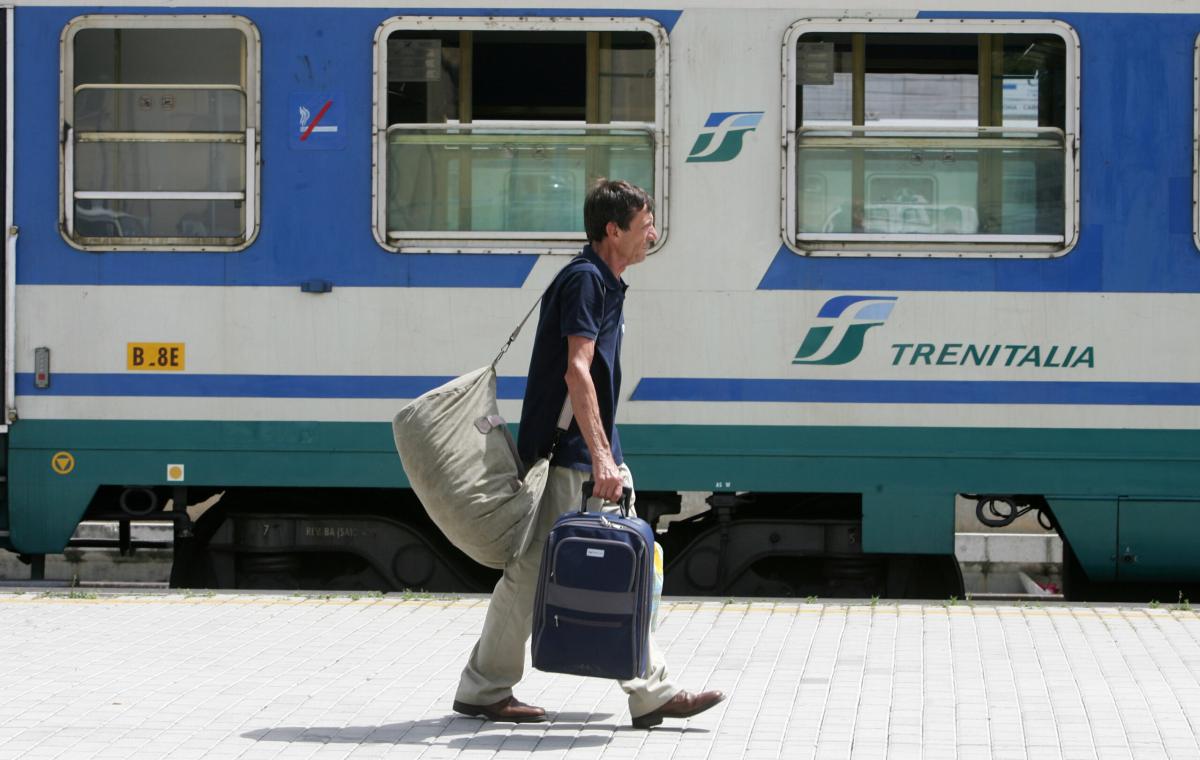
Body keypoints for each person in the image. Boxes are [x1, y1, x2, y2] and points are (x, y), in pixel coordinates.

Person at [452, 179, 726, 729]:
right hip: (573, 454)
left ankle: (484, 687)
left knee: (536, 569)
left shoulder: (602, 281)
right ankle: (650, 692)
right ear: (613, 230)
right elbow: (576, 370)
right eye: (645, 224)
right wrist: (602, 458)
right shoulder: (586, 281)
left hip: (580, 448)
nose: (653, 233)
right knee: (620, 565)